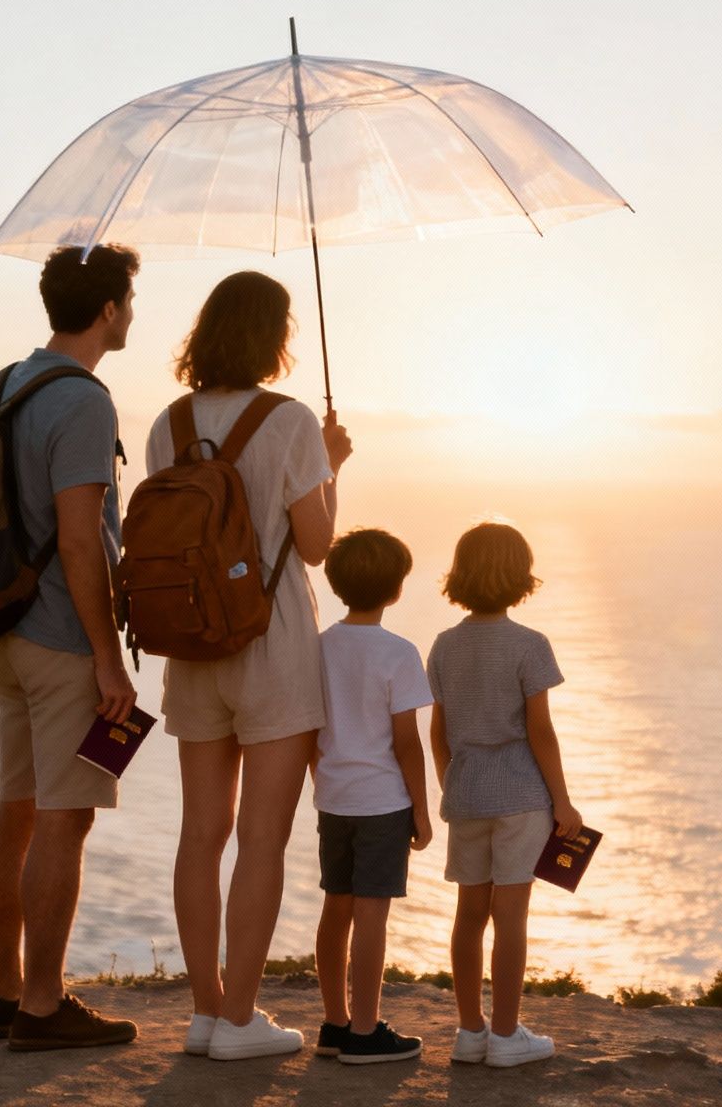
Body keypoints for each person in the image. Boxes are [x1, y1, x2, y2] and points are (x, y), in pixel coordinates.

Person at [143, 270, 352, 1061]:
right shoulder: (290, 421)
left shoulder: (168, 422)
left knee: (201, 834)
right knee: (262, 840)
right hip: (273, 645)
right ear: (274, 336)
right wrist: (332, 465)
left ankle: (206, 1013)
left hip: (192, 644)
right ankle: (240, 1020)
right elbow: (317, 547)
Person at [0, 244, 141, 1051]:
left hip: (5, 634)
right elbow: (80, 540)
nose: (132, 313)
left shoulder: (7, 383)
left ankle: (3, 993)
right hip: (62, 640)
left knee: (16, 810)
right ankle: (43, 1008)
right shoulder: (83, 401)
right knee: (65, 821)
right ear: (108, 310)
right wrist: (108, 657)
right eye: (129, 300)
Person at [428, 522, 581, 1068]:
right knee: (510, 916)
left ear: (460, 575)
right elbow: (541, 732)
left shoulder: (445, 645)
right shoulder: (529, 645)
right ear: (521, 577)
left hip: (466, 797)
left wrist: (451, 783)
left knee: (469, 914)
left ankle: (470, 1032)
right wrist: (563, 800)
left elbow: (439, 732)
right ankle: (507, 1035)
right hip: (520, 797)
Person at [309, 529, 434, 1065]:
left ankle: (335, 1023)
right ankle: (365, 1031)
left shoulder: (318, 648)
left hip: (334, 798)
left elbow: (310, 728)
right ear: (396, 588)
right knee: (371, 917)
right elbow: (407, 743)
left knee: (335, 908)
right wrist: (421, 810)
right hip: (383, 802)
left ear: (336, 583)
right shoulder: (399, 653)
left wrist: (321, 778)